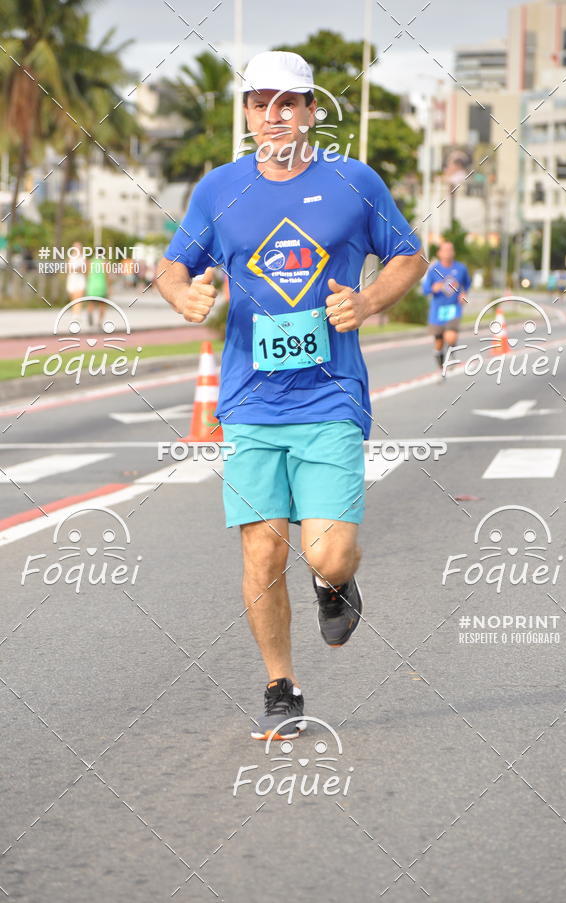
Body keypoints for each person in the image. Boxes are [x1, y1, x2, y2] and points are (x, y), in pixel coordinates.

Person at [156, 51, 427, 741]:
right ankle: (281, 685)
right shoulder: (220, 189)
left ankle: (334, 585)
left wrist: (368, 300)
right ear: (246, 112)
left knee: (328, 553)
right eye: (259, 102)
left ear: (311, 110)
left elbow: (408, 254)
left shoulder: (352, 181)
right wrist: (183, 295)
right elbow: (171, 266)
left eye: (287, 102)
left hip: (330, 397)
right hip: (250, 399)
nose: (272, 115)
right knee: (263, 551)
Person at [421, 241, 470, 375]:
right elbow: (425, 290)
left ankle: (451, 357)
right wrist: (434, 288)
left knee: (451, 336)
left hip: (453, 308)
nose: (448, 253)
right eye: (445, 250)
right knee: (439, 342)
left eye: (450, 250)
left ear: (453, 252)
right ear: (439, 253)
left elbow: (466, 284)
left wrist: (464, 294)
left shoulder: (461, 269)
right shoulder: (433, 269)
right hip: (437, 310)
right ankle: (441, 364)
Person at [85, 255, 110, 329]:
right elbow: (107, 276)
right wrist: (109, 287)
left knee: (91, 303)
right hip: (101, 285)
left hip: (92, 286)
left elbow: (86, 274)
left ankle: (90, 312)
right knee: (102, 305)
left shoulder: (90, 262)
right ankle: (99, 322)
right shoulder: (105, 262)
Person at [66, 241, 87, 319]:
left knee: (79, 296)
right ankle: (75, 312)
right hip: (72, 278)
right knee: (73, 297)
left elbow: (84, 269)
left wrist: (77, 270)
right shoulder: (71, 257)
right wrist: (76, 269)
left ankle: (77, 314)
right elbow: (68, 268)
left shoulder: (83, 257)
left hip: (80, 278)